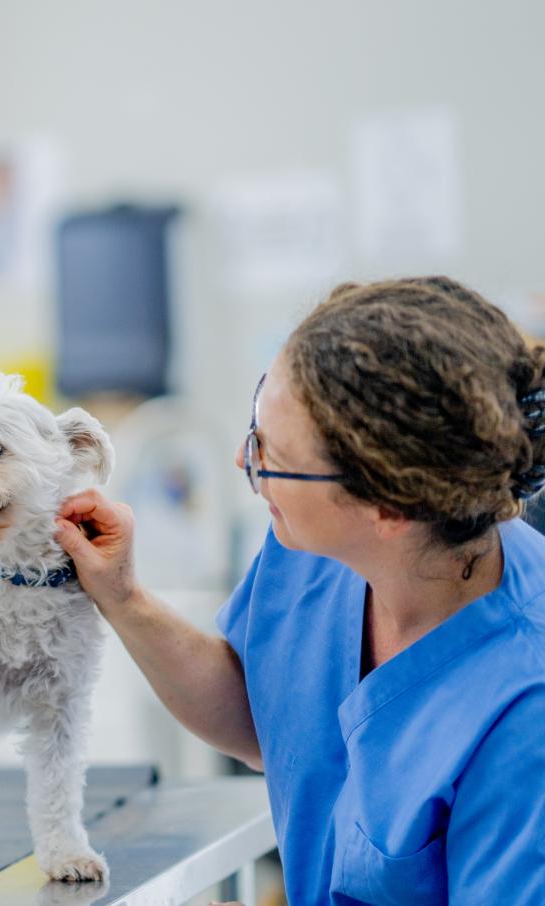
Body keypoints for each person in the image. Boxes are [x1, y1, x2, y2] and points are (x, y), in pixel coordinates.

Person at [56, 277, 545, 904]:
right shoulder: (315, 549)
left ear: (387, 506)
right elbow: (262, 719)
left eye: (270, 455)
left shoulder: (521, 711)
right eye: (255, 422)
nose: (242, 459)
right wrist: (123, 597)